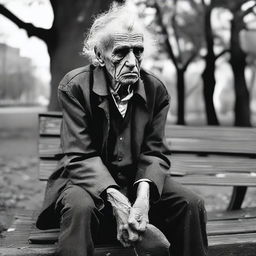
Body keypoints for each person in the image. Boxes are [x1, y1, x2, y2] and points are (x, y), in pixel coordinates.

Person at [36, 4, 208, 256]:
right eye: (120, 52)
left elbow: (155, 152)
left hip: (136, 180)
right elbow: (79, 155)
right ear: (99, 54)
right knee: (80, 207)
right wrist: (118, 200)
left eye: (137, 51)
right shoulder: (75, 87)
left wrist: (143, 196)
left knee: (191, 203)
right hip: (85, 182)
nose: (131, 62)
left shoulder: (155, 90)